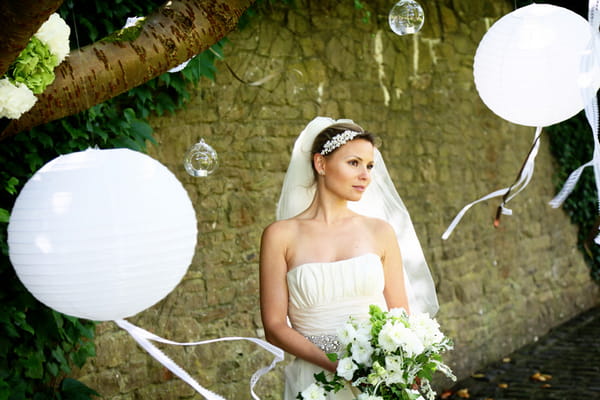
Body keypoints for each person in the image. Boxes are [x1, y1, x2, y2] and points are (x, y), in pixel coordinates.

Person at [259, 117, 438, 399]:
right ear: (321, 164)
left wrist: (403, 368)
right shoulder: (280, 236)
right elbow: (274, 327)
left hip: (378, 377)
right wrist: (342, 367)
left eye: (369, 166)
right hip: (315, 380)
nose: (365, 175)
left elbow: (399, 314)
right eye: (354, 163)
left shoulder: (380, 231)